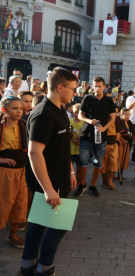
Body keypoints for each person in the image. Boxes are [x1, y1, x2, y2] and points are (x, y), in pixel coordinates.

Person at [17, 67, 77, 276]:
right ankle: (45, 269)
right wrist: (48, 189)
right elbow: (34, 153)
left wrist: (70, 171)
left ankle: (27, 267)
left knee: (39, 224)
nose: (74, 93)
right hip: (48, 183)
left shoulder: (60, 109)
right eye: (72, 89)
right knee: (57, 227)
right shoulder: (43, 114)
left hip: (58, 178)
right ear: (60, 87)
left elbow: (62, 145)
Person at [75, 76, 116, 198]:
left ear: (104, 87)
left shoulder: (109, 101)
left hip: (101, 137)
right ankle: (82, 185)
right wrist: (89, 121)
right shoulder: (87, 98)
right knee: (82, 162)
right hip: (87, 135)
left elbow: (113, 118)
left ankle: (92, 186)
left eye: (99, 86)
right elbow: (80, 116)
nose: (97, 88)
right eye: (95, 86)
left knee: (97, 163)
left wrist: (104, 128)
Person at [0, 97, 27, 249]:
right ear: (4, 110)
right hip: (5, 172)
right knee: (3, 203)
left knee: (20, 202)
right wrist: (2, 160)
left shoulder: (25, 125)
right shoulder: (0, 127)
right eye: (14, 108)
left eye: (20, 108)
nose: (18, 111)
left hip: (22, 171)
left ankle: (13, 235)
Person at [100, 106, 122, 190]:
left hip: (113, 145)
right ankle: (104, 181)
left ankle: (110, 180)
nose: (115, 114)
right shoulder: (104, 120)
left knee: (113, 163)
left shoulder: (118, 120)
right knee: (104, 164)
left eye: (117, 112)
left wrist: (118, 139)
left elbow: (118, 133)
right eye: (114, 112)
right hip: (104, 144)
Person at [115, 108, 135, 182]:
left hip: (127, 144)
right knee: (118, 160)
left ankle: (119, 175)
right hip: (120, 144)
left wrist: (132, 136)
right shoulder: (119, 122)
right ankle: (114, 176)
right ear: (121, 115)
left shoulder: (129, 123)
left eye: (129, 115)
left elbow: (132, 133)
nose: (128, 116)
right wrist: (122, 140)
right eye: (126, 114)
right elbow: (117, 134)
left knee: (124, 159)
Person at [69, 104, 83, 183]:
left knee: (79, 165)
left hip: (80, 149)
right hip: (71, 148)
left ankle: (78, 179)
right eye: (75, 112)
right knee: (69, 164)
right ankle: (70, 179)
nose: (76, 114)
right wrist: (73, 140)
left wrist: (80, 138)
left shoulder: (83, 123)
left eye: (78, 113)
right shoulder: (69, 121)